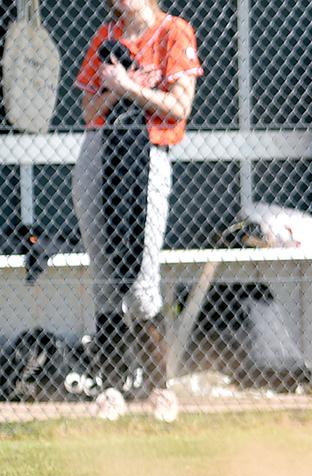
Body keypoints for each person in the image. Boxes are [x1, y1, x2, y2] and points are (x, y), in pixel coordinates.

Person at [73, 0, 203, 421]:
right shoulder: (106, 36)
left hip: (146, 155)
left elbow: (179, 107)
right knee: (105, 277)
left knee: (143, 279)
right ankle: (111, 390)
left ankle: (160, 389)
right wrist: (113, 88)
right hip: (100, 154)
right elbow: (90, 111)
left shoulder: (172, 32)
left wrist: (129, 87)